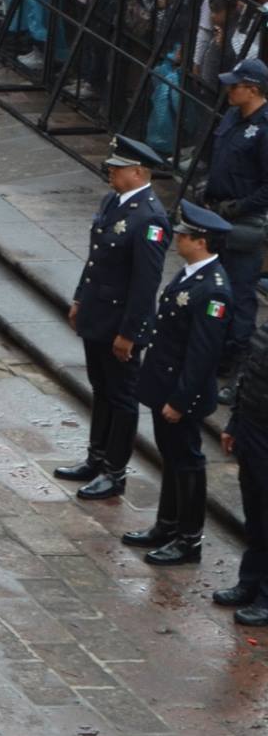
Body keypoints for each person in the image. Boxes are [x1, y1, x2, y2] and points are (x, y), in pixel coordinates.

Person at [54, 136, 170, 501]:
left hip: (121, 321)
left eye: (117, 168)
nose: (110, 172)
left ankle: (114, 471)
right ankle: (96, 457)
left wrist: (130, 332)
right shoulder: (113, 202)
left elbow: (145, 282)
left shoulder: (150, 218)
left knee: (121, 397)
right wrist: (78, 298)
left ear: (138, 172)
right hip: (97, 312)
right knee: (101, 389)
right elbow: (96, 260)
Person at [124, 200, 231, 567]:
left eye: (185, 235)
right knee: (170, 458)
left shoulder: (213, 290)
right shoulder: (190, 274)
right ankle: (167, 524)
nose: (179, 239)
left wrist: (182, 400)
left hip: (182, 393)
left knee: (187, 463)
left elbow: (203, 353)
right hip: (165, 384)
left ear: (201, 241)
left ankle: (188, 538)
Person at [204, 56, 268, 393]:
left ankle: (238, 367)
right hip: (218, 216)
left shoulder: (265, 128)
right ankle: (214, 354)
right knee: (215, 289)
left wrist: (240, 206)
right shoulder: (232, 116)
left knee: (240, 295)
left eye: (236, 85)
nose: (229, 90)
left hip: (243, 222)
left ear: (253, 89)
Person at [221, 292, 268, 623]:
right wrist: (234, 423)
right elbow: (246, 376)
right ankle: (248, 583)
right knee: (254, 513)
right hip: (251, 428)